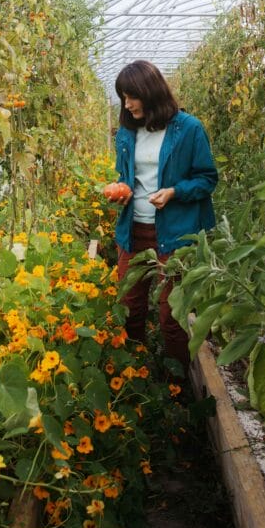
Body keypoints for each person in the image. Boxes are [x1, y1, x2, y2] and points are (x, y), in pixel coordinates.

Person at [112, 60, 218, 378]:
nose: (127, 104)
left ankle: (177, 382)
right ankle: (133, 375)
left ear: (151, 92)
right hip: (135, 230)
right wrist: (122, 189)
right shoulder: (128, 133)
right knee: (129, 305)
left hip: (174, 232)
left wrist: (174, 192)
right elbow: (128, 175)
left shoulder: (188, 129)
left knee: (172, 314)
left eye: (132, 96)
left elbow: (207, 178)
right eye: (123, 98)